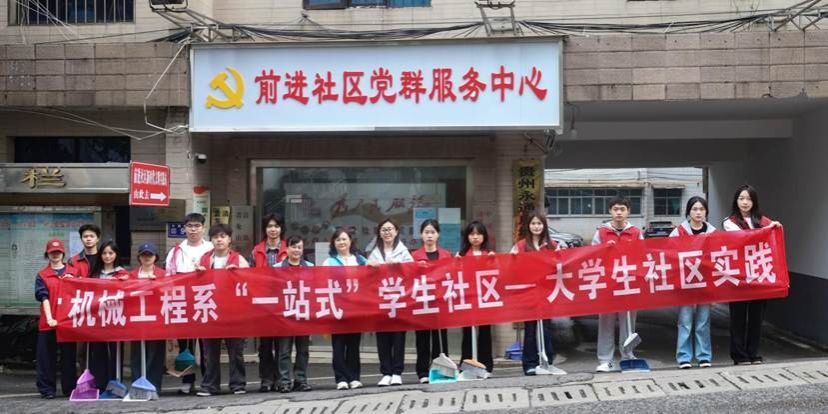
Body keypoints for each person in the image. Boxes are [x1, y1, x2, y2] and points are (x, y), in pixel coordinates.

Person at [722, 184, 782, 365]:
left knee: (756, 317)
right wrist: (766, 229)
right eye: (741, 198)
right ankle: (739, 355)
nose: (745, 202)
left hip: (758, 274)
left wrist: (775, 226)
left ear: (754, 201)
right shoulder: (729, 221)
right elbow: (743, 238)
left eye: (748, 199)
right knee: (738, 317)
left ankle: (753, 353)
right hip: (738, 276)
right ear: (736, 201)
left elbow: (772, 231)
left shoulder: (762, 220)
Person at [196, 223, 250, 396]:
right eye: (215, 237)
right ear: (211, 240)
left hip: (234, 312)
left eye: (222, 236)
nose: (219, 240)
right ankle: (210, 385)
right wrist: (198, 274)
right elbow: (194, 285)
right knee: (210, 352)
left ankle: (238, 384)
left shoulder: (239, 260)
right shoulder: (204, 259)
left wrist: (238, 273)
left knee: (236, 351)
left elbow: (250, 283)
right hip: (210, 310)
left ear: (229, 239)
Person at [510, 212, 566, 376]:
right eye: (533, 223)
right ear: (528, 226)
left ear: (544, 226)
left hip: (547, 292)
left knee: (546, 327)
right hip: (528, 292)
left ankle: (547, 361)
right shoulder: (520, 246)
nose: (536, 227)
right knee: (530, 327)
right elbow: (511, 266)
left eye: (539, 223)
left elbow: (561, 265)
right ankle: (530, 364)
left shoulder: (552, 245)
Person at [592, 196, 643, 373]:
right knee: (606, 322)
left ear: (628, 211)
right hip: (608, 285)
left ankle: (628, 355)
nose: (619, 212)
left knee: (628, 322)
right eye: (615, 209)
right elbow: (592, 256)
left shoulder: (636, 233)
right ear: (610, 211)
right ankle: (605, 359)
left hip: (629, 284)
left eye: (622, 209)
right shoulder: (601, 233)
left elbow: (642, 255)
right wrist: (604, 249)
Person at [165, 212, 213, 395]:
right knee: (185, 343)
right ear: (184, 228)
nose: (193, 230)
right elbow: (168, 277)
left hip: (207, 300)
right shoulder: (176, 251)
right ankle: (187, 379)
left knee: (207, 344)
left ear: (203, 228)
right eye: (190, 226)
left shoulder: (211, 248)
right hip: (183, 302)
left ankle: (209, 380)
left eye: (197, 226)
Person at [670, 196, 717, 369]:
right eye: (695, 209)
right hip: (685, 283)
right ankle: (684, 357)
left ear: (706, 212)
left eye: (701, 209)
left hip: (705, 283)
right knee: (685, 321)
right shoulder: (678, 232)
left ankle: (704, 356)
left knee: (703, 321)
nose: (698, 213)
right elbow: (669, 254)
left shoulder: (713, 233)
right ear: (688, 212)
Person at [367, 218, 414, 386]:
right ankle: (386, 372)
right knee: (383, 338)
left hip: (399, 300)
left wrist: (400, 265)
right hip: (381, 301)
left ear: (396, 232)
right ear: (379, 233)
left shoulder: (403, 251)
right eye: (384, 230)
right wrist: (370, 266)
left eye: (390, 229)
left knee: (398, 337)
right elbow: (366, 276)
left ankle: (397, 372)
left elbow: (413, 271)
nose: (387, 232)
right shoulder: (374, 252)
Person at [322, 228, 368, 391]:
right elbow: (322, 284)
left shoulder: (360, 260)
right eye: (338, 240)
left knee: (354, 345)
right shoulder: (329, 262)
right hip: (337, 308)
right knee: (339, 345)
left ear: (350, 241)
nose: (341, 242)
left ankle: (354, 377)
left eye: (344, 239)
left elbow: (372, 276)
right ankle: (341, 378)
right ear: (333, 243)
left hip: (356, 309)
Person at [410, 219, 452, 384]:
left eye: (432, 232)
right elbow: (408, 278)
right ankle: (423, 372)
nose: (429, 236)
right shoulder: (414, 256)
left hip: (440, 302)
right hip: (422, 302)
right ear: (421, 235)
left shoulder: (446, 255)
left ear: (438, 235)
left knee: (440, 338)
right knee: (422, 339)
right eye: (426, 232)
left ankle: (441, 370)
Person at [35, 239, 78, 399]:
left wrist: (73, 280)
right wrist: (50, 318)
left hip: (68, 323)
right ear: (47, 254)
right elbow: (43, 297)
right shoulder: (42, 275)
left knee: (69, 357)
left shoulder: (73, 272)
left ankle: (69, 388)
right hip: (48, 323)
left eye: (58, 252)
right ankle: (47, 389)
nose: (55, 255)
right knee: (46, 358)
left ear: (63, 253)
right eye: (52, 252)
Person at [251, 213, 288, 392]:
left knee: (282, 345)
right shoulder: (256, 251)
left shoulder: (289, 248)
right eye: (269, 226)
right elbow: (250, 275)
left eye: (276, 226)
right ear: (265, 229)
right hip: (263, 302)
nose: (273, 229)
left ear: (281, 228)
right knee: (265, 345)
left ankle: (282, 379)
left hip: (283, 301)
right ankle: (266, 379)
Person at [275, 236, 315, 393]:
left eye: (299, 247)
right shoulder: (277, 267)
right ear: (287, 249)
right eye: (293, 247)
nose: (296, 250)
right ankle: (284, 381)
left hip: (304, 314)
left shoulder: (310, 267)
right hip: (285, 314)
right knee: (284, 351)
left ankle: (301, 380)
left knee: (303, 350)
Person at [88, 240, 129, 391]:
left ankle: (115, 382)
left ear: (116, 254)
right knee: (98, 351)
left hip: (115, 317)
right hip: (98, 318)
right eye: (104, 253)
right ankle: (100, 383)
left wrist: (124, 282)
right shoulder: (94, 274)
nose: (107, 256)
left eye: (111, 253)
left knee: (115, 351)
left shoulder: (123, 273)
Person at [458, 220, 496, 377]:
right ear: (467, 236)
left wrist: (493, 261)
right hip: (468, 299)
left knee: (485, 333)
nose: (475, 237)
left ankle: (486, 365)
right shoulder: (461, 255)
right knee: (468, 333)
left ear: (484, 236)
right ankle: (466, 365)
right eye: (472, 234)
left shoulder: (489, 255)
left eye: (478, 234)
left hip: (484, 299)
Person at [129, 243, 167, 391]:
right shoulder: (131, 275)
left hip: (157, 320)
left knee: (156, 353)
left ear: (155, 257)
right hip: (137, 320)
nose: (146, 258)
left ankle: (154, 386)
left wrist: (157, 284)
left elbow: (170, 292)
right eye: (143, 255)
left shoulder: (163, 274)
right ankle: (137, 385)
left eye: (150, 255)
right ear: (139, 257)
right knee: (137, 354)